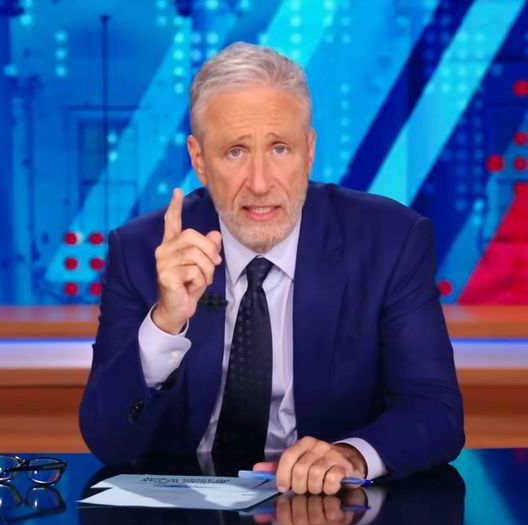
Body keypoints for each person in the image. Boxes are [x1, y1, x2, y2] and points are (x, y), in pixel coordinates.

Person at [79, 42, 464, 495]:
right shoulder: (141, 251)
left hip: (331, 506)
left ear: (309, 150)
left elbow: (435, 411)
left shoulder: (390, 241)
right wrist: (166, 322)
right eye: (235, 152)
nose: (260, 184)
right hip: (186, 510)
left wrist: (351, 455)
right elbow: (108, 439)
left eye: (280, 148)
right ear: (199, 160)